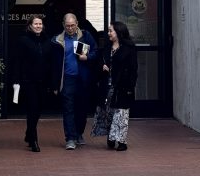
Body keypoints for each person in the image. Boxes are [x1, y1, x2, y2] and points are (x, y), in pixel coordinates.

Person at [51, 13, 97, 150]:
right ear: (63, 25)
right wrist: (54, 83)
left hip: (82, 78)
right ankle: (70, 138)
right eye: (67, 26)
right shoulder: (57, 40)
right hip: (67, 79)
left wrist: (87, 57)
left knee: (82, 109)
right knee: (68, 109)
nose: (70, 28)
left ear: (77, 24)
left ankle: (79, 133)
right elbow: (54, 64)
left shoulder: (85, 36)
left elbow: (95, 52)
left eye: (72, 25)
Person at [13, 15, 53, 152]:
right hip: (28, 81)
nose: (38, 26)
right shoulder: (23, 41)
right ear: (30, 25)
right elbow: (17, 61)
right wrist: (17, 80)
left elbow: (50, 62)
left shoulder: (48, 41)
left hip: (43, 81)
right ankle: (34, 140)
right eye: (35, 24)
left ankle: (28, 133)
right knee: (32, 109)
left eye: (40, 24)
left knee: (38, 110)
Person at [101, 20, 138, 151]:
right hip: (108, 85)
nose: (109, 33)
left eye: (111, 30)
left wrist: (130, 87)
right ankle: (111, 137)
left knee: (121, 114)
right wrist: (103, 67)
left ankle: (122, 141)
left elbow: (133, 69)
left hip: (123, 86)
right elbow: (101, 62)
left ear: (119, 32)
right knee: (109, 113)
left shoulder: (129, 48)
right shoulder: (107, 47)